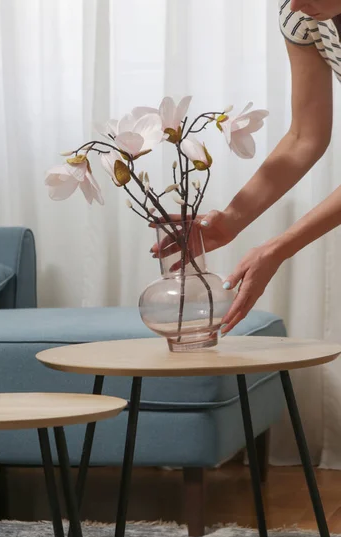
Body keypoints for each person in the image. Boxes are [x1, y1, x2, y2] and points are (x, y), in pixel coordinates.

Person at [153, 0, 341, 334]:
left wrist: (276, 249)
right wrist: (230, 220)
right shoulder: (301, 15)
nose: (295, 3)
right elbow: (304, 137)